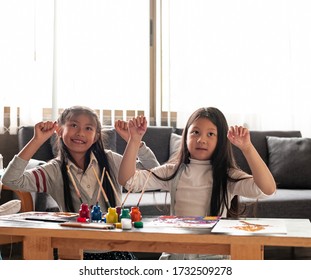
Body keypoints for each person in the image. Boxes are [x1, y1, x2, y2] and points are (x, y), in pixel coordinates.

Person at [2, 105, 159, 260]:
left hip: (116, 251)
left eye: (88, 128)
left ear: (97, 136)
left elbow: (155, 173)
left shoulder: (112, 161)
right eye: (74, 125)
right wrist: (37, 140)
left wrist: (134, 141)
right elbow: (11, 180)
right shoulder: (53, 171)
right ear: (59, 130)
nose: (80, 133)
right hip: (71, 253)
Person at [118, 107, 276, 260]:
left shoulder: (227, 176)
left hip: (213, 259)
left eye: (211, 134)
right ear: (185, 136)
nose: (202, 140)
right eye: (195, 132)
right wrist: (134, 140)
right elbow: (128, 181)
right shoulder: (172, 171)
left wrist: (247, 148)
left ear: (221, 140)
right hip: (176, 256)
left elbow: (267, 189)